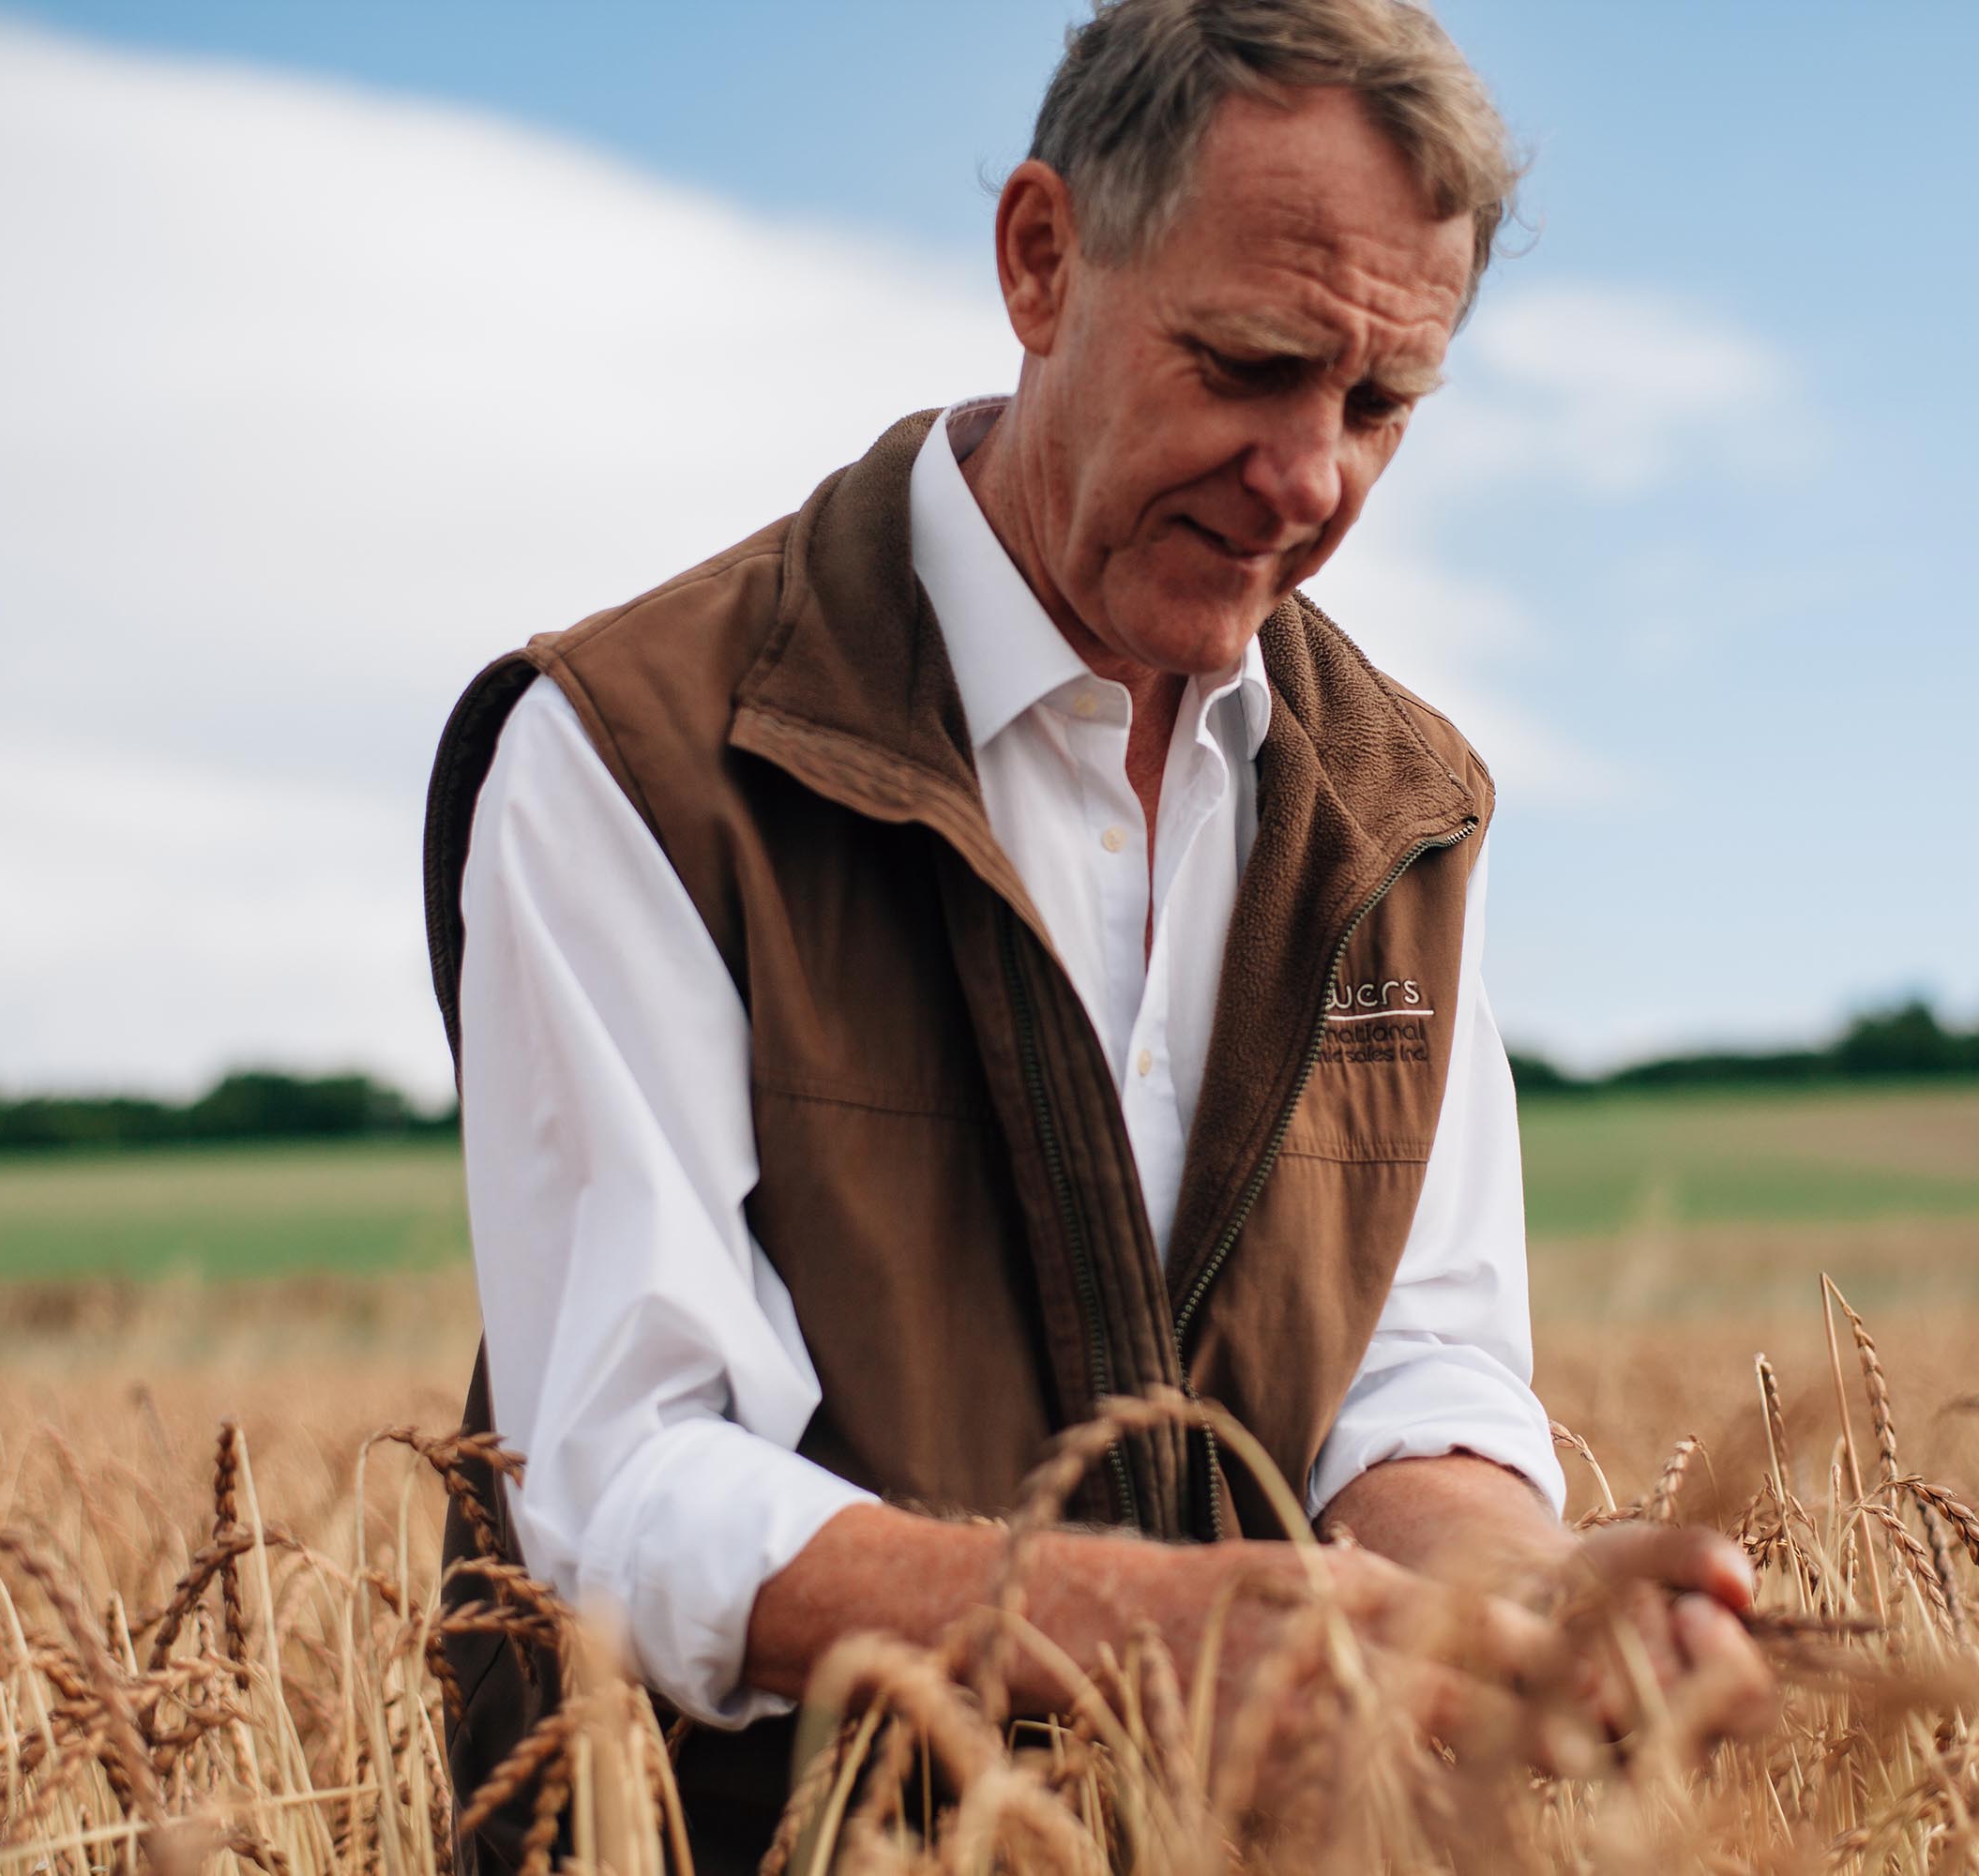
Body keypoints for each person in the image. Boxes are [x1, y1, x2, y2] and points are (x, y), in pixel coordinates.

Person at [420, 2, 1772, 1868]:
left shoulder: (1398, 810)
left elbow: (1415, 1370)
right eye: (1251, 363)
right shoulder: (632, 755)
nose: (1314, 478)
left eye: (1381, 406)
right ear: (1041, 260)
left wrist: (1511, 1597)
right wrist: (1140, 1625)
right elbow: (619, 1476)